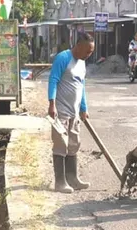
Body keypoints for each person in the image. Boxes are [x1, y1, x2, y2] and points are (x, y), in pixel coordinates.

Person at [48, 33, 95, 193]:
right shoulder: (63, 58)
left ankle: (73, 179)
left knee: (74, 144)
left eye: (91, 52)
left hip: (74, 112)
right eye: (88, 51)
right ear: (79, 46)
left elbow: (81, 87)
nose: (89, 55)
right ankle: (60, 182)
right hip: (60, 111)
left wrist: (84, 108)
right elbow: (53, 80)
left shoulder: (82, 64)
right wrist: (51, 103)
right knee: (61, 144)